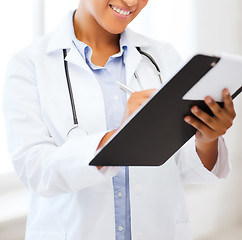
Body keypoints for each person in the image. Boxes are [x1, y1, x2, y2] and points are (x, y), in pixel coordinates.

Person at [3, 0, 236, 239]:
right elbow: (36, 171)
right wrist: (120, 138)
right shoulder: (28, 65)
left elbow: (184, 166)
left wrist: (207, 138)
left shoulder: (164, 57)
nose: (132, 2)